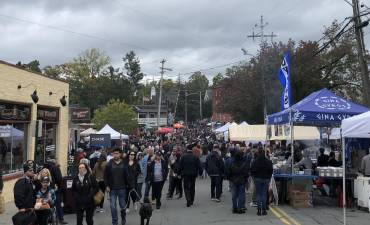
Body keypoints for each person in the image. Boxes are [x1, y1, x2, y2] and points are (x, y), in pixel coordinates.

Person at [105, 148, 131, 225]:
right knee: (113, 206)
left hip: (122, 188)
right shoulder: (109, 164)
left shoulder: (124, 163)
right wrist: (106, 185)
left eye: (117, 153)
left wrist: (130, 185)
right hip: (112, 189)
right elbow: (105, 176)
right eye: (114, 153)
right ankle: (115, 222)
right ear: (112, 154)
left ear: (120, 154)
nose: (115, 155)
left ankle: (123, 218)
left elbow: (128, 175)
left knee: (123, 206)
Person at [250, 148, 273, 216]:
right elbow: (271, 170)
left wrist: (254, 176)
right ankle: (264, 209)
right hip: (266, 179)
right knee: (264, 194)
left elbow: (252, 170)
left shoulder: (255, 161)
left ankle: (259, 210)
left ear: (258, 153)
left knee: (259, 194)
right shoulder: (268, 161)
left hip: (257, 179)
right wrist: (268, 177)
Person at [43, 159, 66, 224]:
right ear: (54, 163)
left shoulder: (44, 168)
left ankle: (49, 219)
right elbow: (59, 179)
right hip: (56, 188)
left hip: (47, 188)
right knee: (58, 203)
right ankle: (60, 219)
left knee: (49, 203)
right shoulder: (55, 168)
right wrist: (58, 185)